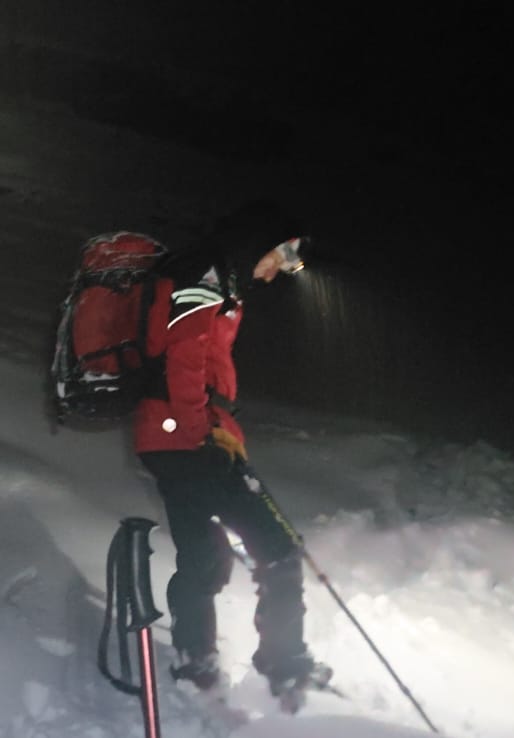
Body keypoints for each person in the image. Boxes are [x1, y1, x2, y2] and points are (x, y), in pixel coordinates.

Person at [131, 200, 325, 699]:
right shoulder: (207, 272)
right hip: (188, 437)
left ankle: (195, 662)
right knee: (278, 549)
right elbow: (185, 354)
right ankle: (284, 665)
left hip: (169, 436)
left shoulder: (215, 275)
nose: (279, 270)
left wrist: (207, 430)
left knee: (203, 555)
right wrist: (203, 431)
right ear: (258, 241)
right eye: (280, 256)